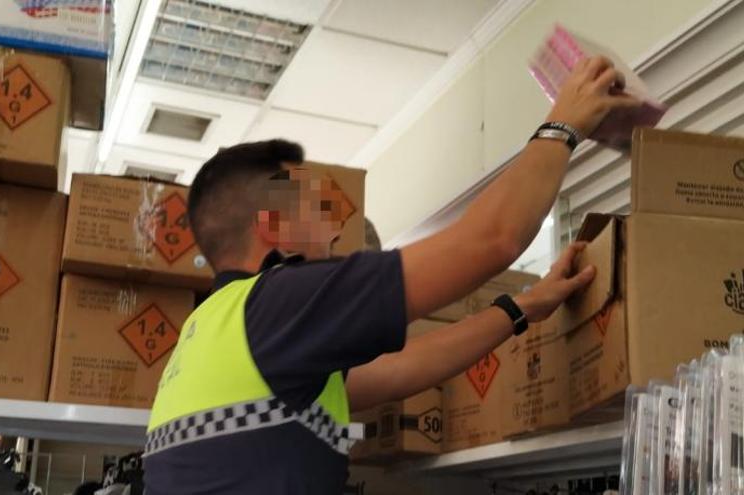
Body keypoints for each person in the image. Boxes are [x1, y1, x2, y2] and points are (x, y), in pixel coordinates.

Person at [143, 56, 640, 494]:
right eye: (312, 206)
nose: (334, 223)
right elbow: (493, 240)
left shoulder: (211, 333)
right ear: (272, 222)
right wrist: (563, 124)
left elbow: (404, 368)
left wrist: (522, 307)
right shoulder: (278, 303)